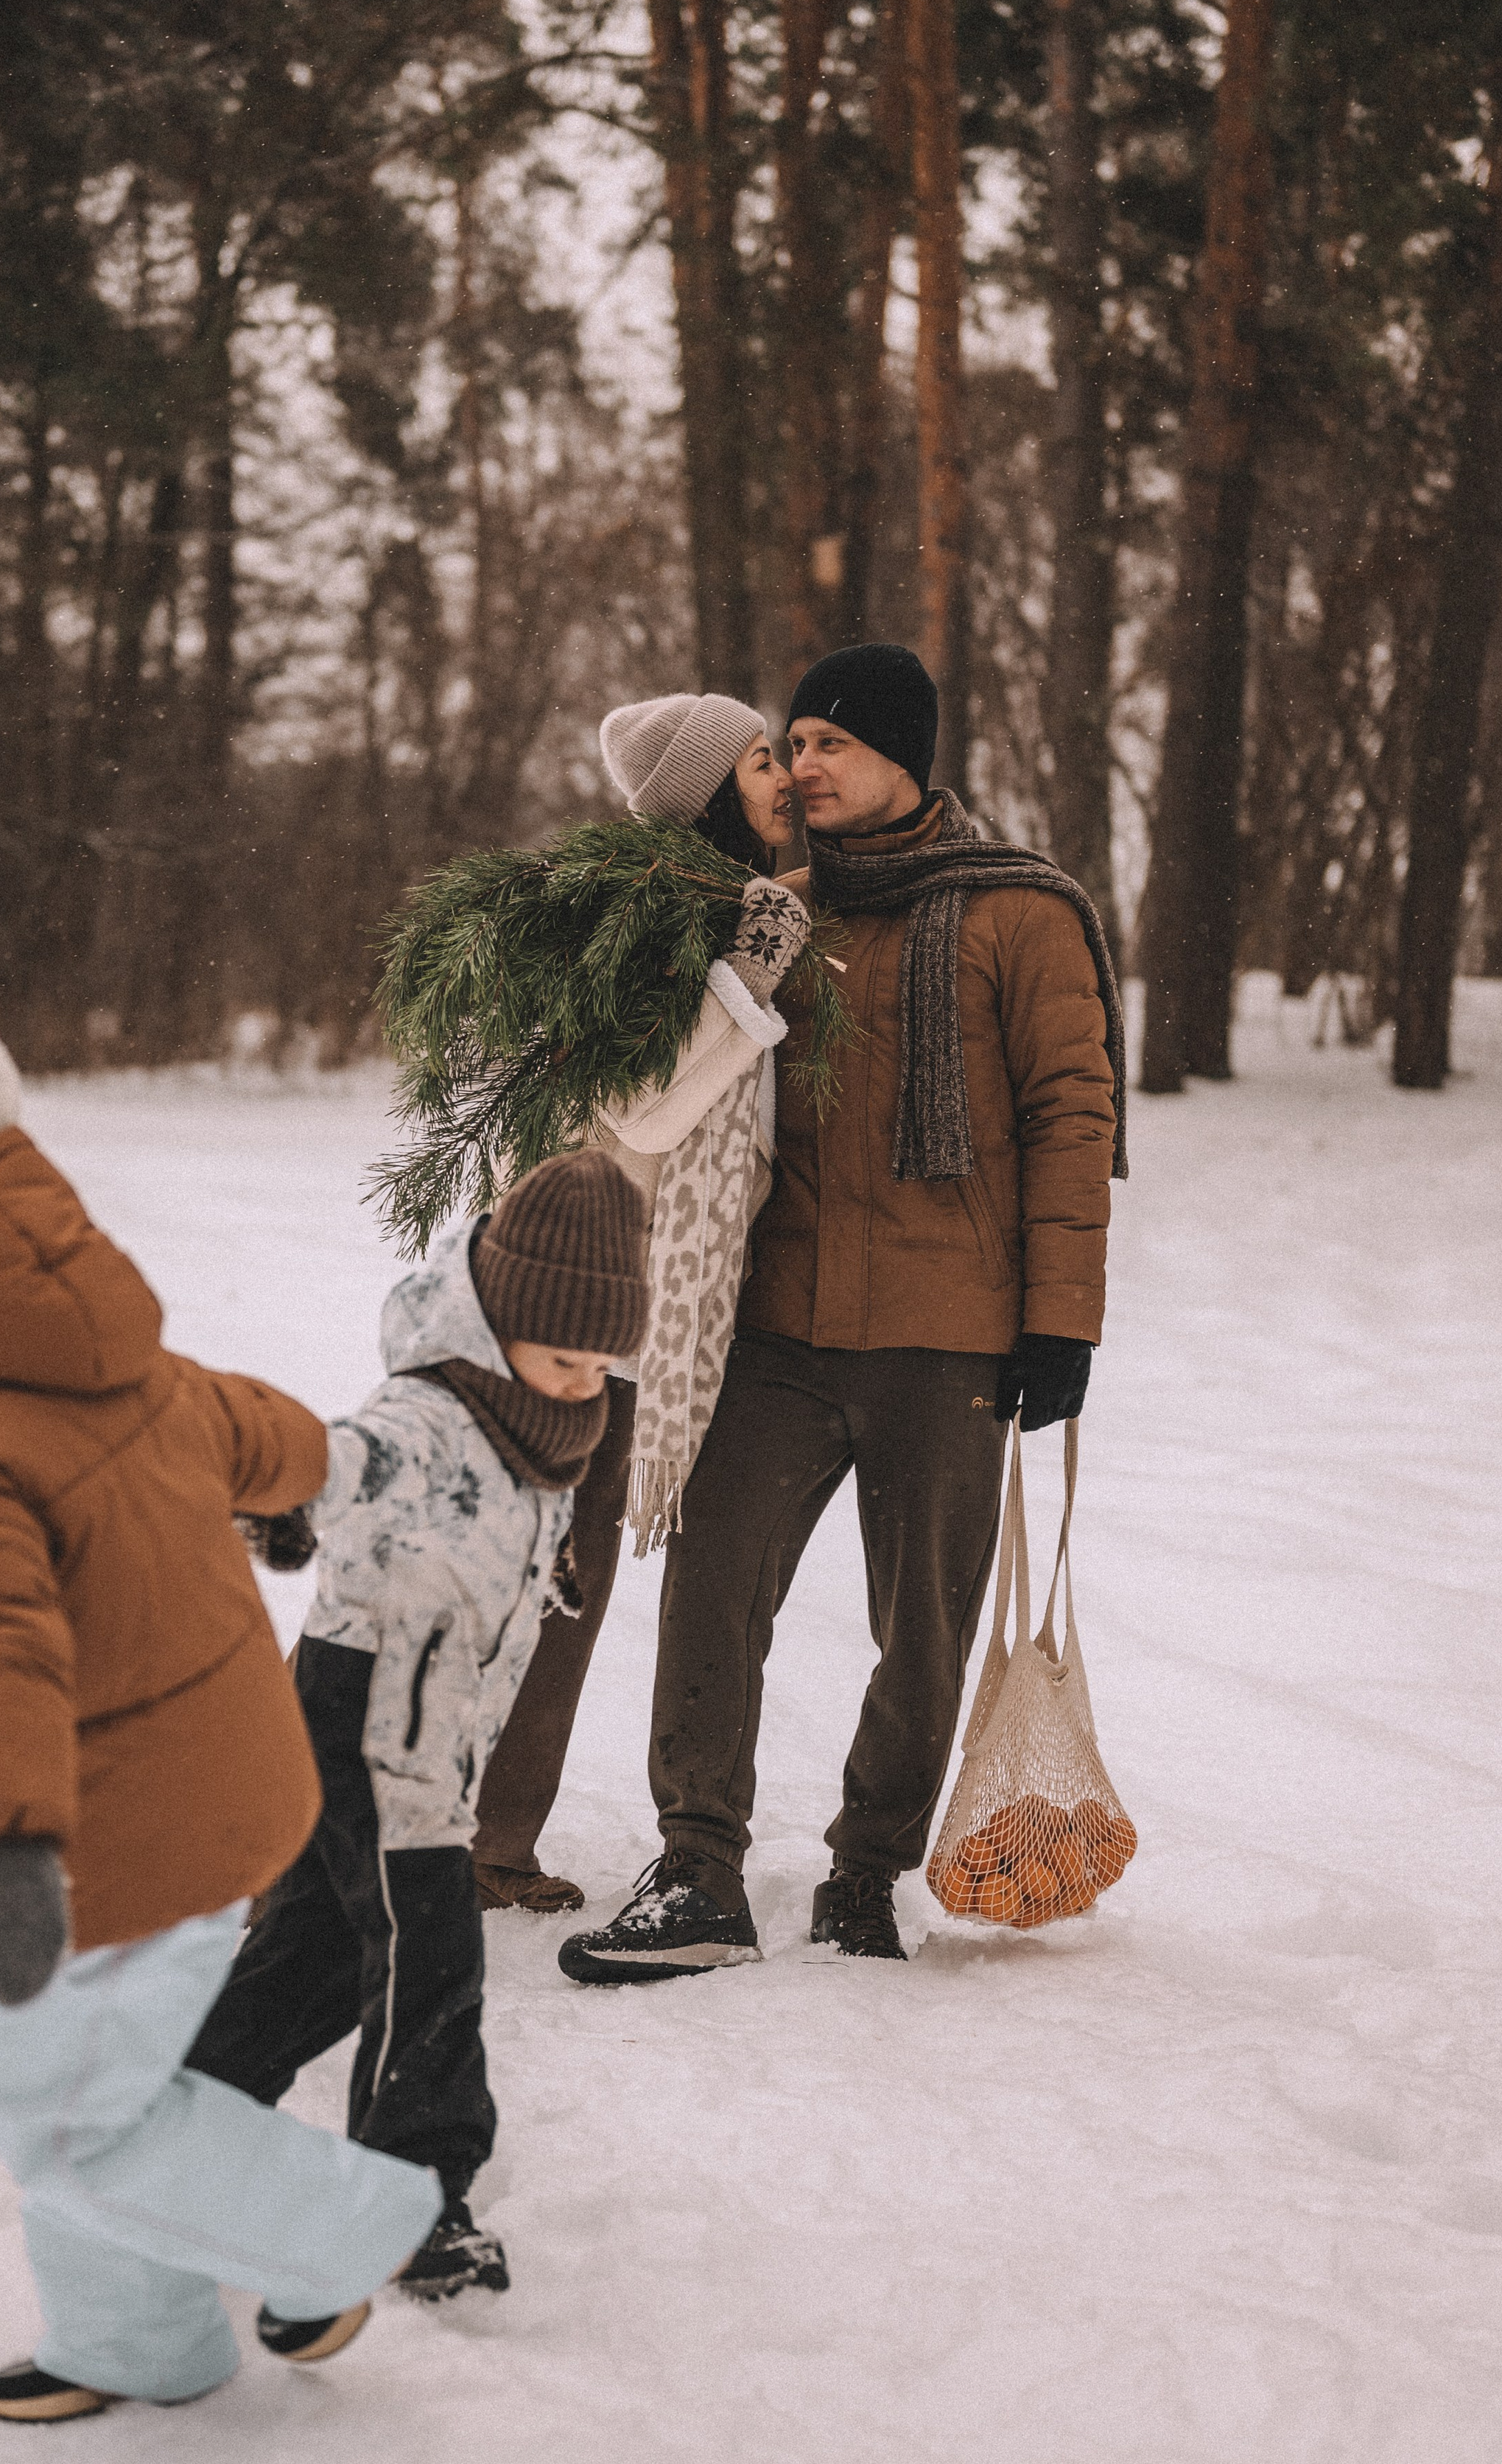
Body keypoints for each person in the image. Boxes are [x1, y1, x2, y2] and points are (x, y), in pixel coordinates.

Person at [0, 1027, 441, 2424]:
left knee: (57, 2109)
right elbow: (252, 1423)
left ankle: (333, 2235)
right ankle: (140, 2340)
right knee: (102, 2093)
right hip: (229, 1783)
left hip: (125, 1831)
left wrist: (8, 1844)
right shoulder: (114, 1362)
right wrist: (294, 1488)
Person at [559, 642, 1128, 1983]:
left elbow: (1071, 1118)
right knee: (710, 1584)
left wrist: (1065, 1322)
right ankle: (697, 1866)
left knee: (922, 1626)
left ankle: (865, 1870)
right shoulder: (776, 915)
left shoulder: (1020, 914)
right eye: (792, 741)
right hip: (780, 1327)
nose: (801, 766)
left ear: (899, 759)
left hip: (952, 1333)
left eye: (828, 743)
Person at [186, 1151, 650, 2298]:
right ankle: (411, 2200)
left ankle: (184, 2113)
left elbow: (512, 1530)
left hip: (432, 1724)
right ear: (499, 1316)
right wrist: (289, 1501)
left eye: (599, 1361)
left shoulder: (547, 1419)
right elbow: (354, 1459)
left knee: (321, 1950)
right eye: (560, 1354)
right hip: (374, 1713)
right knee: (433, 1946)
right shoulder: (434, 1408)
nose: (579, 1380)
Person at [470, 694, 807, 1915]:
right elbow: (642, 1106)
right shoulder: (650, 918)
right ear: (710, 788)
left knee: (566, 1585)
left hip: (635, 1309)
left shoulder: (728, 909)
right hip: (573, 1298)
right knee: (510, 1574)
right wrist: (746, 977)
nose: (784, 775)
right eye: (763, 760)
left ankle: (492, 1839)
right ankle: (382, 1821)